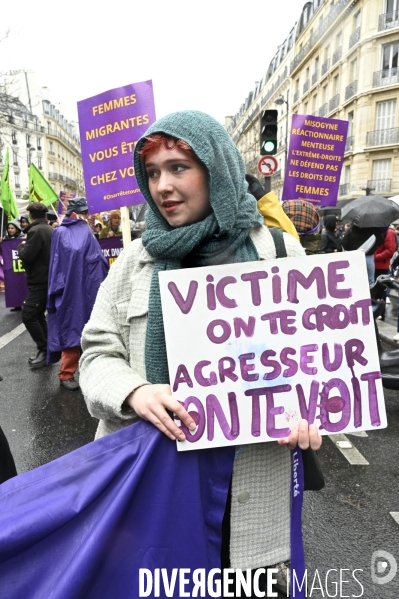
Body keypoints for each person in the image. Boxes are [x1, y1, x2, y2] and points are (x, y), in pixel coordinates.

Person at [79, 111, 322, 597]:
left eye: (178, 167)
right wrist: (134, 391)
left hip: (251, 491)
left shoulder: (280, 253)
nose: (163, 185)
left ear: (217, 168)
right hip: (152, 486)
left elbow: (318, 364)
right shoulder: (133, 261)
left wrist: (311, 412)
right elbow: (96, 353)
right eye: (152, 172)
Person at [47, 197, 108, 390]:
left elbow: (97, 260)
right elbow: (58, 265)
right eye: (83, 212)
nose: (86, 215)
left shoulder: (87, 232)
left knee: (90, 332)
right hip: (70, 291)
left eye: (86, 212)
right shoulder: (60, 232)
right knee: (72, 331)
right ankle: (66, 374)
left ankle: (88, 372)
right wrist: (58, 291)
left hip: (89, 288)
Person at [18, 202, 53, 369]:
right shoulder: (49, 229)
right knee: (38, 315)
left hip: (40, 280)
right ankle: (47, 350)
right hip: (46, 279)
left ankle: (45, 349)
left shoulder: (35, 231)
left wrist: (21, 246)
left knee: (29, 315)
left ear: (31, 215)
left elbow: (27, 256)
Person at [341, 223, 384, 287]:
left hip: (354, 257)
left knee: (354, 280)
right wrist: (374, 247)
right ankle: (370, 295)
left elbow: (344, 243)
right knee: (370, 282)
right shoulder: (373, 228)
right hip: (368, 257)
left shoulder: (352, 229)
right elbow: (381, 241)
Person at [374, 226, 397, 322]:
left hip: (381, 266)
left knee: (380, 292)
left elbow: (390, 250)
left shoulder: (389, 232)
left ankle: (381, 312)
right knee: (376, 291)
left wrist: (376, 257)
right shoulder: (379, 231)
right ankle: (378, 311)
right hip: (376, 264)